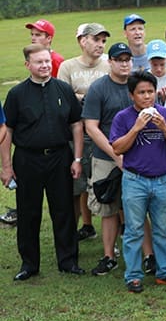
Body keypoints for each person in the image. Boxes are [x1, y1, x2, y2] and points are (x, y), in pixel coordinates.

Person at [2, 44, 84, 281]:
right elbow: (7, 130)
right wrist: (6, 166)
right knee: (28, 213)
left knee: (64, 210)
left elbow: (76, 124)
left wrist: (77, 158)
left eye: (47, 61)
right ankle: (29, 264)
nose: (45, 66)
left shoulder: (63, 89)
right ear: (28, 65)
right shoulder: (17, 94)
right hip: (28, 160)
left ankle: (68, 261)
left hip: (60, 158)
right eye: (39, 62)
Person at [110, 70, 166, 293]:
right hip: (135, 180)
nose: (147, 97)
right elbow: (117, 148)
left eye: (150, 92)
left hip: (162, 180)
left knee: (163, 229)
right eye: (141, 93)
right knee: (134, 230)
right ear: (132, 95)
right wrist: (136, 128)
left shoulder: (165, 114)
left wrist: (163, 126)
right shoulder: (123, 117)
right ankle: (133, 275)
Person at [82, 42, 134, 276]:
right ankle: (108, 255)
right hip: (105, 156)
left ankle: (149, 256)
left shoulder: (138, 85)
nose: (124, 63)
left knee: (137, 207)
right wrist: (115, 154)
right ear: (110, 62)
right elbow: (91, 127)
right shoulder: (99, 88)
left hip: (136, 156)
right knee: (107, 207)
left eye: (127, 59)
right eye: (119, 59)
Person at [57, 22, 111, 243]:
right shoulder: (68, 67)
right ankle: (72, 232)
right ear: (82, 41)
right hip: (76, 136)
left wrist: (82, 97)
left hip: (103, 134)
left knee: (108, 186)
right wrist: (86, 99)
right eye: (96, 39)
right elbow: (62, 100)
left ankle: (113, 236)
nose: (100, 44)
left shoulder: (109, 64)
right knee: (75, 187)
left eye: (103, 40)